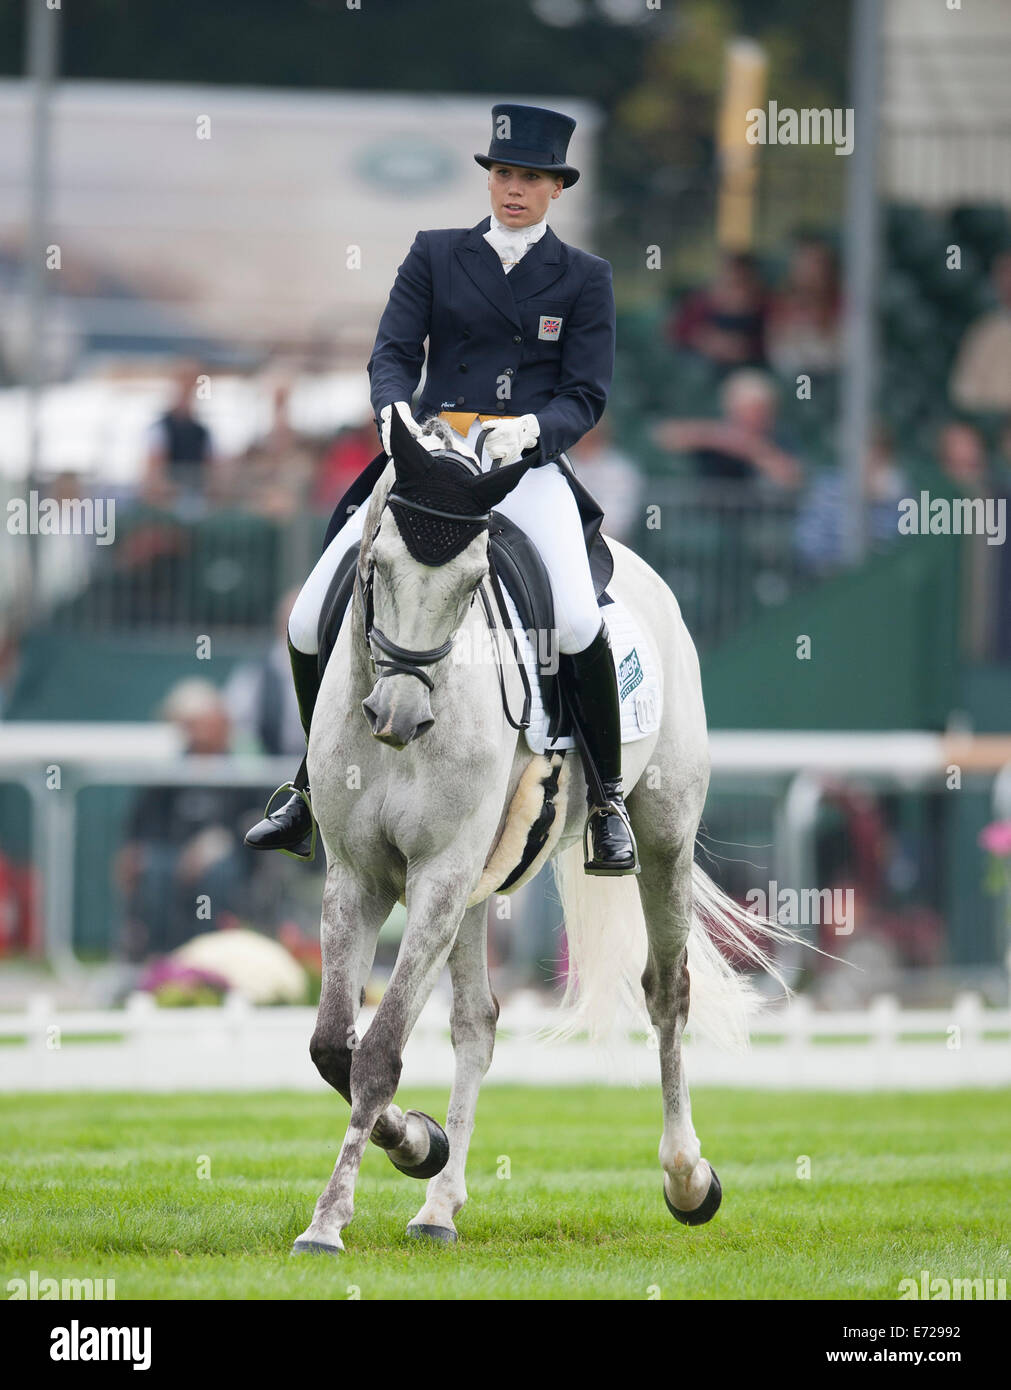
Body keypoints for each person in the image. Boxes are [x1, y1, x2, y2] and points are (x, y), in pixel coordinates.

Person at [245, 103, 637, 874]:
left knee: (574, 617)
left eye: (530, 178)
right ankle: (308, 787)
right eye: (503, 175)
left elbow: (585, 394)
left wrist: (532, 431)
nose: (514, 190)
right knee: (303, 618)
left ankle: (609, 800)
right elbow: (392, 352)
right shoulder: (435, 253)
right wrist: (393, 411)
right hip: (427, 457)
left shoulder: (585, 279)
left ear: (556, 188)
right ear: (489, 179)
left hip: (517, 470)